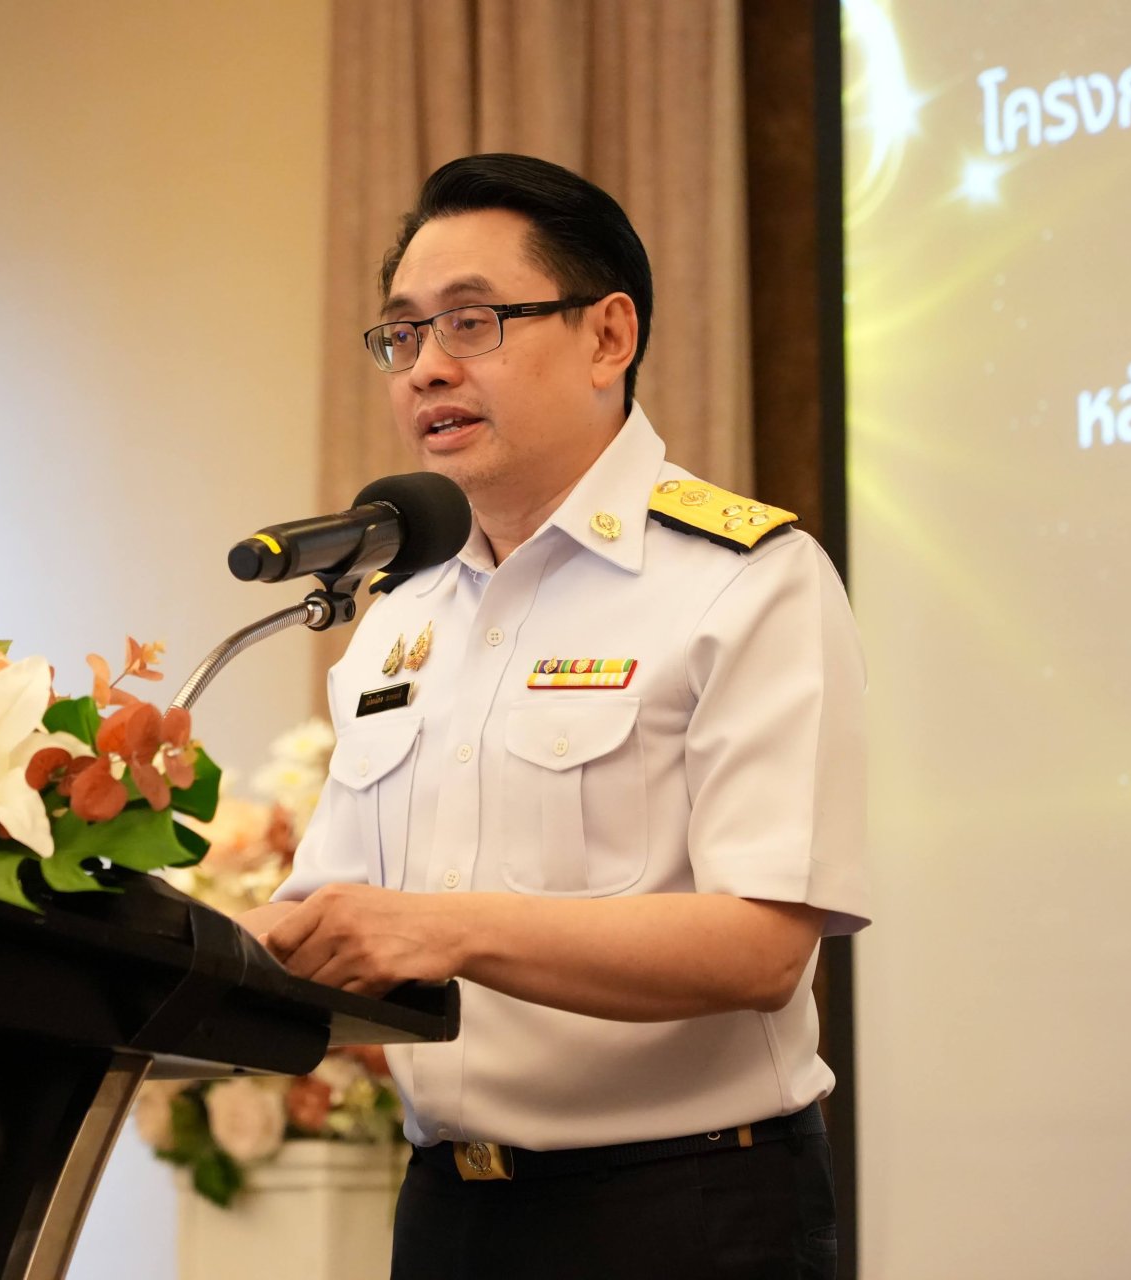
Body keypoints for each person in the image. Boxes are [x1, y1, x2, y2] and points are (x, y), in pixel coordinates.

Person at [238, 153, 869, 1279]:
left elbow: (763, 947)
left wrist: (449, 929)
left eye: (471, 321)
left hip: (684, 1214)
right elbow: (342, 924)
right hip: (447, 1213)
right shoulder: (397, 619)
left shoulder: (746, 578)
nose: (428, 368)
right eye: (402, 335)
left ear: (607, 337)